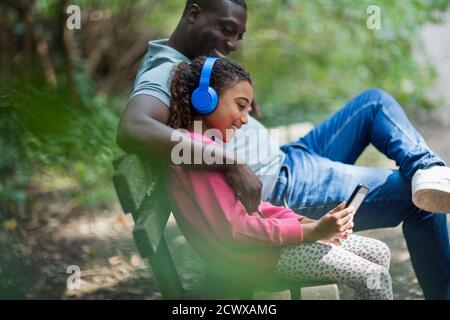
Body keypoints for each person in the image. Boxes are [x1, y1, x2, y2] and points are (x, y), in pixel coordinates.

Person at [116, 0, 450, 299]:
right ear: (193, 13)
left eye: (237, 37)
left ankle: (428, 166)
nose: (231, 44)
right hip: (279, 186)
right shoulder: (163, 71)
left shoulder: (193, 68)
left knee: (374, 104)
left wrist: (228, 90)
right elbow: (133, 128)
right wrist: (232, 162)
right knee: (420, 200)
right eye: (226, 30)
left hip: (288, 161)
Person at [166, 56, 393, 299]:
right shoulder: (197, 156)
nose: (244, 120)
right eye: (241, 106)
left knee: (379, 252)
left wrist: (306, 222)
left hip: (265, 249)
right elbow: (237, 230)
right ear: (205, 99)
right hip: (254, 261)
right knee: (374, 278)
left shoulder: (207, 147)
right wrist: (312, 232)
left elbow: (257, 209)